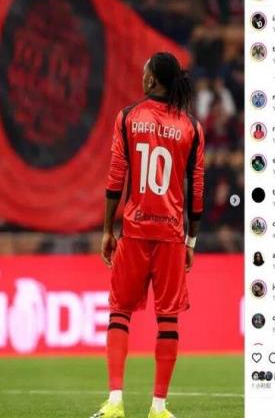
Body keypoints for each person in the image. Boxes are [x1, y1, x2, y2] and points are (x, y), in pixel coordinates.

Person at [91, 52, 205, 418]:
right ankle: (158, 407)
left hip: (135, 231)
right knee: (168, 319)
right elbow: (196, 189)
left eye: (144, 72)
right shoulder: (191, 127)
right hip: (171, 234)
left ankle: (115, 402)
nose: (142, 76)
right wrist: (191, 240)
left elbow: (115, 177)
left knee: (119, 312)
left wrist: (108, 230)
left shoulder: (127, 118)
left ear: (153, 79)